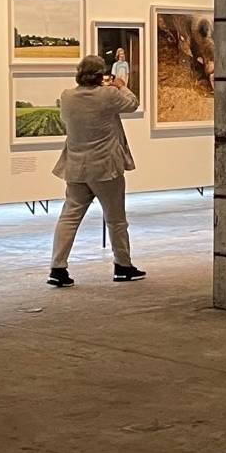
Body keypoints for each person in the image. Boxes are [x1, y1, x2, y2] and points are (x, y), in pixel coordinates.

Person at [47, 55, 147, 287]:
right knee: (116, 219)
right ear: (101, 75)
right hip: (105, 168)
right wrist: (121, 86)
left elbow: (66, 120)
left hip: (76, 167)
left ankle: (57, 268)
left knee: (69, 217)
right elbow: (132, 103)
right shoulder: (109, 95)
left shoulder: (67, 96)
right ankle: (123, 265)